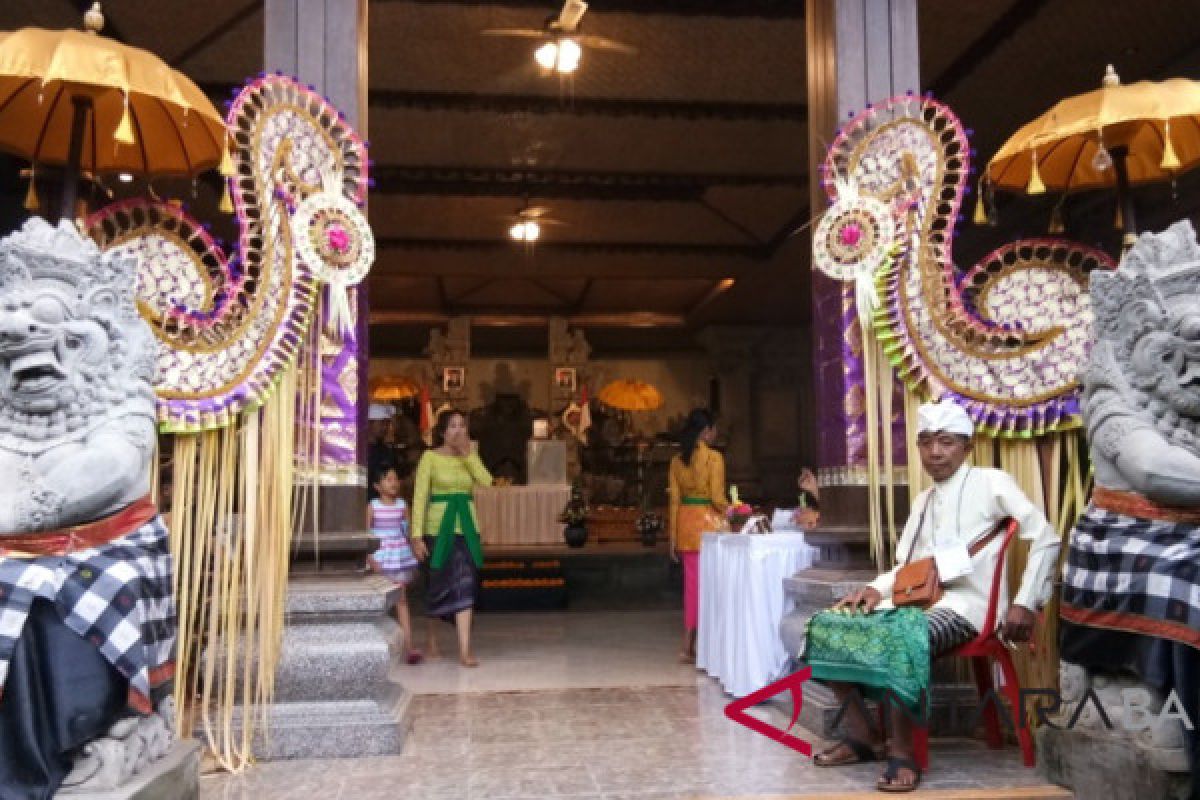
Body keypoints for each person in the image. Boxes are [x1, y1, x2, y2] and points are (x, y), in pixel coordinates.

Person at [803, 399, 1060, 793]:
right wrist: (875, 588)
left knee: (902, 635)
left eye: (946, 442)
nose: (934, 452)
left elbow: (1045, 536)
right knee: (826, 627)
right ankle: (863, 735)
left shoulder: (991, 482)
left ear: (967, 446)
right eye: (925, 442)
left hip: (968, 609)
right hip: (915, 603)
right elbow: (908, 566)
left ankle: (903, 752)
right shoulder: (923, 501)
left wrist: (1026, 601)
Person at [411, 409, 493, 667]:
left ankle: (465, 650)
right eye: (453, 426)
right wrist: (416, 535)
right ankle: (432, 637)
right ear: (443, 432)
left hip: (466, 526)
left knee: (466, 583)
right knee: (438, 583)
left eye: (462, 426)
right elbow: (420, 497)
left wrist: (468, 455)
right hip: (438, 526)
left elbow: (487, 481)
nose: (459, 431)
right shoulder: (430, 457)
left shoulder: (470, 455)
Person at [667, 408, 729, 664]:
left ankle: (688, 644)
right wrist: (734, 511)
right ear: (706, 431)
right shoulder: (714, 459)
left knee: (692, 587)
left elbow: (673, 501)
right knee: (711, 586)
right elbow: (716, 498)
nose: (715, 434)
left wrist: (672, 537)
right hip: (708, 526)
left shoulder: (677, 461)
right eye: (713, 429)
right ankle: (703, 644)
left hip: (685, 525)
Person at [367, 465, 422, 665]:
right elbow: (367, 534)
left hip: (399, 558)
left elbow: (407, 531)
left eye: (395, 479)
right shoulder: (372, 506)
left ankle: (409, 646)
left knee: (401, 601)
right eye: (388, 479)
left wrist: (415, 546)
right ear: (376, 486)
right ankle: (376, 648)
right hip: (380, 558)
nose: (394, 483)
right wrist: (369, 558)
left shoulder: (402, 505)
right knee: (380, 604)